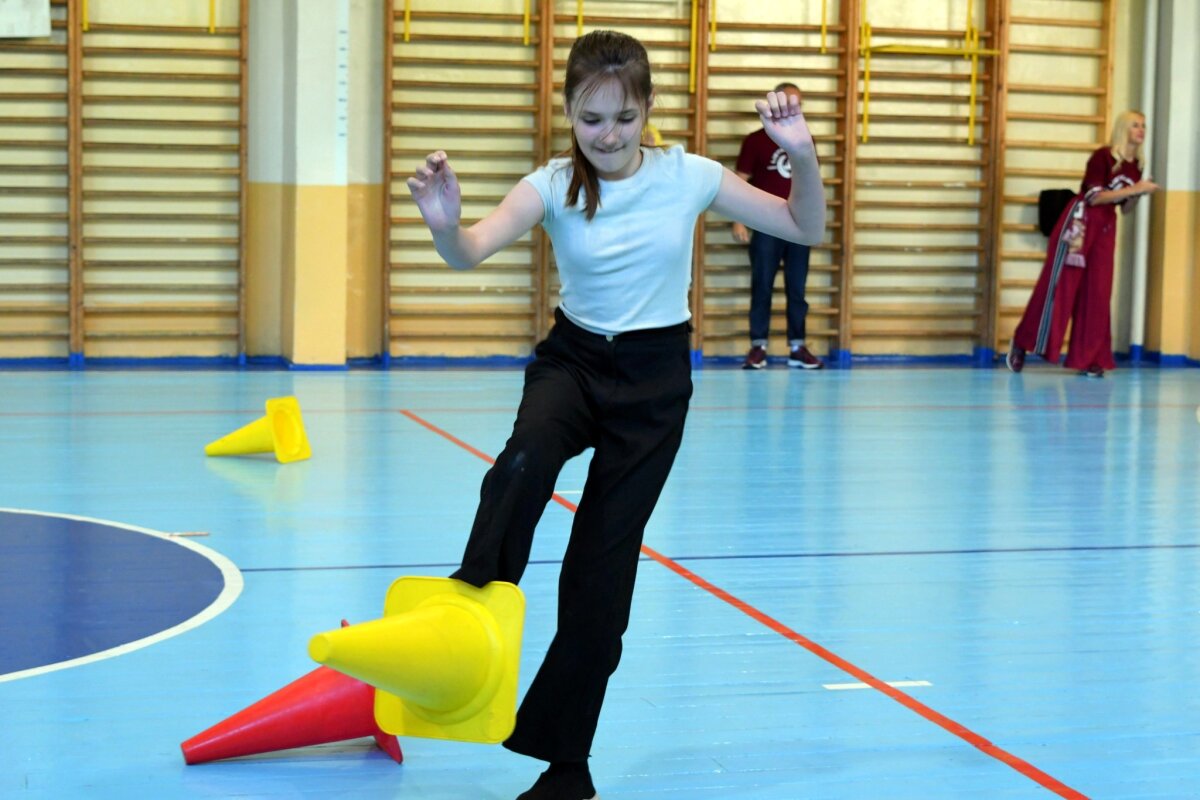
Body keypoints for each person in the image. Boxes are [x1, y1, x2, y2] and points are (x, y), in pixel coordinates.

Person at [405, 30, 824, 800]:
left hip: (654, 383)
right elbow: (470, 249)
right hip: (573, 363)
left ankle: (567, 767)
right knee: (523, 461)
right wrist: (443, 223)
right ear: (568, 110)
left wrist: (802, 154)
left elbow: (805, 228)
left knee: (600, 578)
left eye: (625, 118)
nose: (608, 136)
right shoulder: (551, 184)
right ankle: (470, 610)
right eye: (592, 119)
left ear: (649, 108)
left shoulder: (690, 175)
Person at [1006, 111, 1159, 377]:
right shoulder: (1103, 157)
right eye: (1135, 125)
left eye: (1143, 126)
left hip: (1105, 228)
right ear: (1123, 128)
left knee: (1098, 292)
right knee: (1060, 287)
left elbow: (1125, 208)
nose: (1141, 130)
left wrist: (1138, 195)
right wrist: (1134, 189)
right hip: (1079, 224)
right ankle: (1023, 341)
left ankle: (1090, 357)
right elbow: (1093, 197)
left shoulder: (1137, 166)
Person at [732, 81, 824, 370]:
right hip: (766, 225)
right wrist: (738, 219)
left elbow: (811, 184)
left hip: (797, 227)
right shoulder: (755, 141)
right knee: (762, 285)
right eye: (788, 102)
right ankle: (758, 346)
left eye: (798, 104)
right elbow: (740, 181)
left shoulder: (805, 141)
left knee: (797, 288)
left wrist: (813, 223)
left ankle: (797, 346)